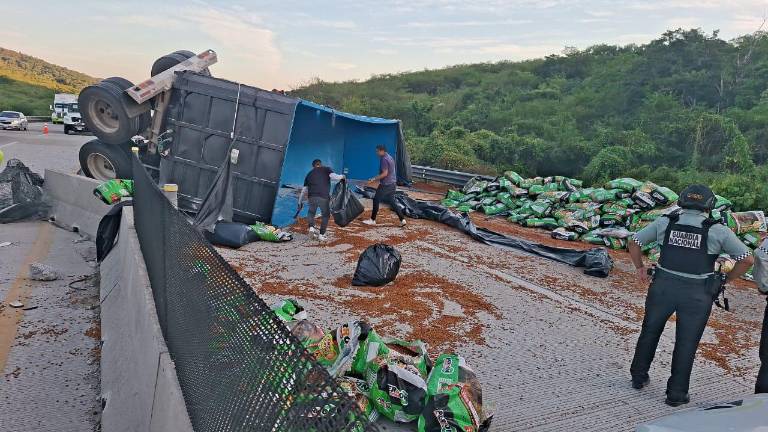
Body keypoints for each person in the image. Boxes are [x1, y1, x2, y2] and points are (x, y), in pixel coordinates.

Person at [627, 184, 754, 406]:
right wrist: (727, 279)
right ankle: (676, 395)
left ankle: (638, 377)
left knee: (650, 331)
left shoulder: (666, 221)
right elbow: (747, 259)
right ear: (709, 205)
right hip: (697, 293)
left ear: (682, 201)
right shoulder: (718, 230)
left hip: (663, 286)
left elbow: (634, 241)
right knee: (687, 342)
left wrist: (639, 267)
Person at [298, 159, 344, 242]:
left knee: (311, 213)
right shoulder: (326, 169)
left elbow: (304, 190)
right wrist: (342, 176)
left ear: (313, 166)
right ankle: (321, 235)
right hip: (323, 196)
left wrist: (299, 202)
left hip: (312, 197)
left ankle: (311, 227)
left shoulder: (309, 174)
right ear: (320, 164)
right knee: (326, 215)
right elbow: (334, 177)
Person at [362, 145, 406, 227]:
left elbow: (385, 174)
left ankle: (372, 220)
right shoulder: (390, 157)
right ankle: (402, 219)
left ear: (382, 151)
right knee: (392, 201)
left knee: (376, 199)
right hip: (393, 184)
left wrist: (373, 179)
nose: (376, 153)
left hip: (386, 185)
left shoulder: (384, 159)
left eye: (377, 151)